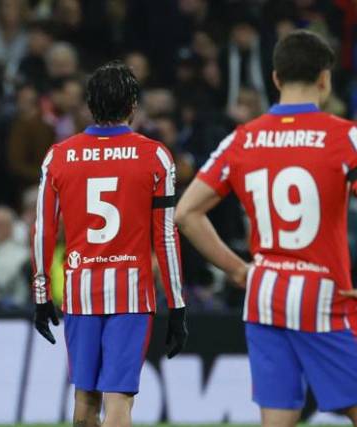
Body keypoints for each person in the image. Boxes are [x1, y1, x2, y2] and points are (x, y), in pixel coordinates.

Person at [176, 30, 357, 426]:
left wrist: (239, 269)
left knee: (277, 420)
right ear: (325, 78)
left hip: (265, 292)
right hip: (325, 294)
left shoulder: (242, 139)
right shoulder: (346, 138)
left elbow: (186, 214)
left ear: (275, 78)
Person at [31, 61, 188, 427]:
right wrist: (178, 303)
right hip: (131, 292)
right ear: (133, 106)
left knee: (85, 398)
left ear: (89, 104)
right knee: (119, 400)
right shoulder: (155, 156)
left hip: (81, 289)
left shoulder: (60, 156)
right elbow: (166, 234)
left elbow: (42, 229)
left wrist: (41, 295)